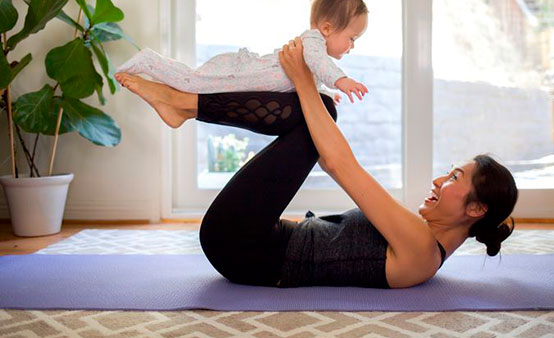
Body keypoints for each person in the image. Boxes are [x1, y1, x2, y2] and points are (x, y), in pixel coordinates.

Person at [114, 38, 518, 289]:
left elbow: (340, 165)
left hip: (241, 247)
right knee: (320, 109)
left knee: (320, 107)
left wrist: (304, 79)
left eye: (454, 177)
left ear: (476, 209)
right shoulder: (422, 243)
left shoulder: (421, 250)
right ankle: (184, 104)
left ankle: (185, 103)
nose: (439, 179)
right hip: (251, 240)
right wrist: (306, 86)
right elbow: (332, 163)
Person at [115, 0, 369, 104]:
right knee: (191, 82)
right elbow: (319, 63)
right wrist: (341, 80)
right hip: (240, 71)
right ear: (327, 28)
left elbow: (309, 80)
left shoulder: (316, 53)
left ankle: (168, 95)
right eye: (352, 38)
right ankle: (150, 61)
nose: (352, 46)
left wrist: (327, 93)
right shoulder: (313, 41)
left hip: (245, 80)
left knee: (194, 88)